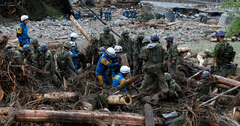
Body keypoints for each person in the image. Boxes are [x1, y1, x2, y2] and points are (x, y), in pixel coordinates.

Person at [140, 34, 169, 98]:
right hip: (159, 69)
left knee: (144, 84)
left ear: (151, 40)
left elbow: (144, 60)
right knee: (163, 84)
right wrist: (167, 67)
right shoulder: (161, 47)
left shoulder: (146, 48)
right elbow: (166, 58)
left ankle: (140, 96)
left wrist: (143, 68)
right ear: (158, 40)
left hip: (149, 69)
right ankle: (166, 97)